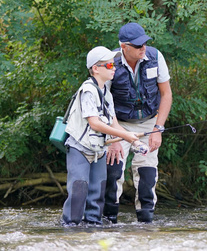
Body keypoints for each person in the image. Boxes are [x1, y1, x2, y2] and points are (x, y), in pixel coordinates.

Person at [61, 46, 144, 226]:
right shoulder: (88, 90)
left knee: (97, 193)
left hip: (99, 150)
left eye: (113, 64)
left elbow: (113, 123)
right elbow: (95, 123)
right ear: (95, 68)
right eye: (108, 65)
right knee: (78, 192)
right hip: (79, 149)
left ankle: (93, 227)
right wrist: (126, 135)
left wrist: (134, 140)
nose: (114, 68)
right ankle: (70, 229)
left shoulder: (106, 92)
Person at [103, 22, 172, 224]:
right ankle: (109, 221)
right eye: (138, 45)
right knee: (113, 172)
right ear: (124, 47)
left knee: (147, 175)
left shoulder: (155, 57)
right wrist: (115, 136)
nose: (143, 48)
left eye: (144, 44)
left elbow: (166, 94)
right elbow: (104, 101)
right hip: (118, 124)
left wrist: (158, 129)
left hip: (149, 123)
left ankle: (145, 224)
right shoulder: (110, 62)